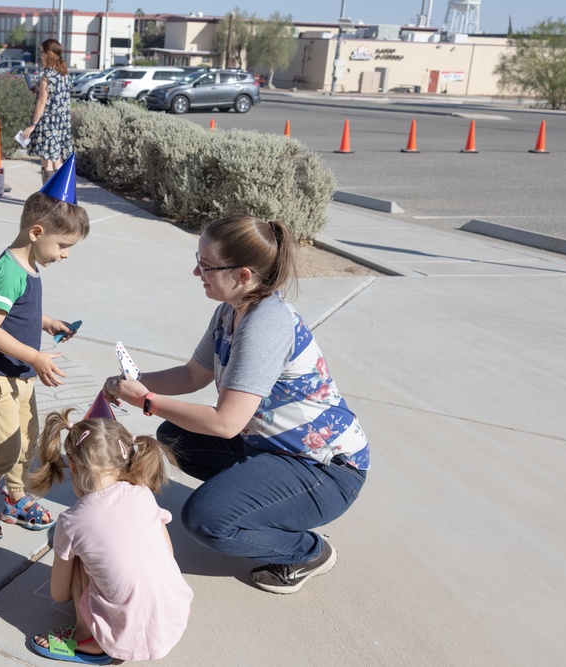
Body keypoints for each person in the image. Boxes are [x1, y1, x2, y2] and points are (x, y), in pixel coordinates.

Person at [104, 214, 370, 594]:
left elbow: (226, 423)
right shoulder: (230, 311)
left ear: (244, 275)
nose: (197, 272)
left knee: (206, 519)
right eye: (197, 260)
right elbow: (193, 375)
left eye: (206, 265)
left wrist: (147, 401)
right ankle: (260, 501)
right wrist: (133, 383)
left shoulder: (266, 325)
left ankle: (308, 551)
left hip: (325, 471)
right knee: (176, 437)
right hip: (275, 447)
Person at [0, 159, 90, 541]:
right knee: (4, 448)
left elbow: (16, 310)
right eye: (63, 245)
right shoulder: (8, 271)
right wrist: (34, 355)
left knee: (26, 441)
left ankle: (15, 498)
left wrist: (44, 322)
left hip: (19, 376)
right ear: (36, 232)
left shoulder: (27, 267)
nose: (65, 254)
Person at [28, 409, 193, 664]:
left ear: (72, 465)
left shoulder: (73, 521)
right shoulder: (143, 493)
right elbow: (167, 553)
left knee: (80, 555)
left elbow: (59, 594)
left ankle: (89, 640)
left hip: (122, 637)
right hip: (171, 620)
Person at [21, 39, 73, 185]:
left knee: (47, 163)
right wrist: (38, 91)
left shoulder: (47, 76)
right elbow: (55, 96)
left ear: (48, 54)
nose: (40, 55)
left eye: (41, 52)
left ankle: (49, 197)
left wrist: (33, 125)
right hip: (62, 123)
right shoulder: (64, 74)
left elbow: (42, 102)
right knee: (58, 160)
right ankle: (62, 196)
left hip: (48, 122)